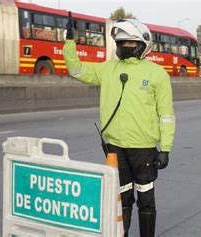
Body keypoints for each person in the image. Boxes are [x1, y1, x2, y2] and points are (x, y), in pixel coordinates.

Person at [63, 16, 175, 237]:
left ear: (143, 44)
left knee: (145, 199)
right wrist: (69, 42)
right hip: (115, 148)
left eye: (130, 43)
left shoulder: (156, 74)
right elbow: (75, 70)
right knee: (122, 199)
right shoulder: (107, 69)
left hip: (143, 148)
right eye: (121, 43)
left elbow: (166, 115)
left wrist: (166, 148)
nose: (125, 46)